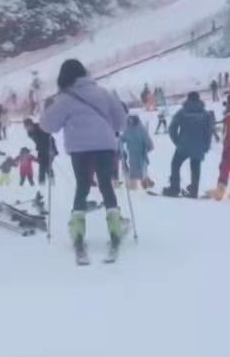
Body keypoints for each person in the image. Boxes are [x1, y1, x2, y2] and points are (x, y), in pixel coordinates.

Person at [40, 59, 128, 263]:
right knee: (106, 185)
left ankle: (78, 229)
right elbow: (121, 121)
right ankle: (115, 227)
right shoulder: (103, 93)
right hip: (105, 146)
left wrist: (48, 110)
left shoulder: (64, 99)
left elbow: (47, 126)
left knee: (82, 186)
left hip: (80, 149)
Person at [163, 91, 214, 198]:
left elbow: (172, 128)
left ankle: (174, 188)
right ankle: (194, 191)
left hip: (183, 145)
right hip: (198, 146)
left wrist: (177, 141)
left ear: (188, 99)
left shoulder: (182, 112)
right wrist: (206, 145)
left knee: (175, 164)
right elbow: (209, 131)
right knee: (195, 167)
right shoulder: (205, 114)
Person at [119, 115, 155, 190]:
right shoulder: (128, 129)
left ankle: (144, 181)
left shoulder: (141, 128)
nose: (131, 122)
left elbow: (147, 139)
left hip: (141, 152)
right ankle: (136, 184)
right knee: (134, 168)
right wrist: (120, 144)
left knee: (142, 168)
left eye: (132, 120)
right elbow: (122, 138)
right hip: (132, 152)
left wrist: (148, 147)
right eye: (130, 121)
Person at [24, 118, 58, 185]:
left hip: (50, 149)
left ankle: (51, 181)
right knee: (43, 166)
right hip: (41, 150)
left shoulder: (40, 128)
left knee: (47, 166)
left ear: (31, 124)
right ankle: (42, 182)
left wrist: (52, 150)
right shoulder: (30, 132)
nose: (27, 128)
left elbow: (49, 138)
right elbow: (38, 141)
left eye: (28, 126)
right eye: (26, 127)